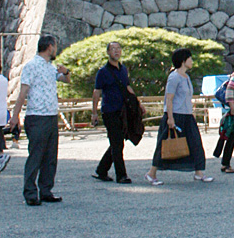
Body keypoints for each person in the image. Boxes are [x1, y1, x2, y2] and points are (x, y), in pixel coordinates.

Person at [9, 35, 71, 205]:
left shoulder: (51, 68)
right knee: (36, 155)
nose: (56, 50)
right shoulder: (31, 66)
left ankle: (46, 190)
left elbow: (66, 80)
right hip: (36, 116)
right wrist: (15, 115)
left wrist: (65, 72)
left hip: (51, 115)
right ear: (50, 47)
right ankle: (30, 192)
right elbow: (23, 92)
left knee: (51, 156)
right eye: (55, 47)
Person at [145, 48, 213, 185]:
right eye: (190, 58)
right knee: (164, 145)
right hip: (175, 115)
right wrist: (170, 118)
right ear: (183, 60)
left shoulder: (186, 77)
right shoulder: (174, 77)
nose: (192, 61)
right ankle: (151, 173)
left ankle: (199, 172)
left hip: (187, 116)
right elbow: (168, 99)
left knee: (195, 143)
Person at [91, 40, 142, 183]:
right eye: (113, 49)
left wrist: (138, 103)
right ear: (108, 52)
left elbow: (127, 87)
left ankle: (101, 170)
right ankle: (121, 175)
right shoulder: (103, 72)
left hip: (123, 110)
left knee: (117, 142)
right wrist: (94, 112)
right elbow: (97, 92)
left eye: (118, 48)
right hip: (110, 111)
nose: (116, 51)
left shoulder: (123, 69)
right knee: (117, 142)